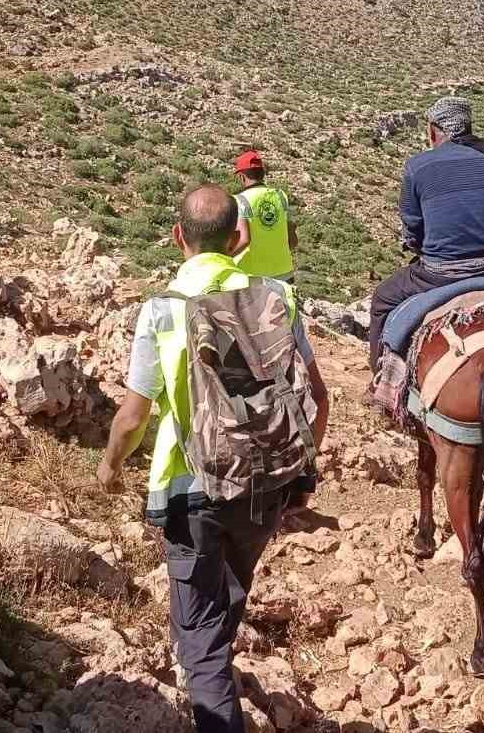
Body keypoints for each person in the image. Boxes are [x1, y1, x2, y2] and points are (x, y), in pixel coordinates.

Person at [97, 184, 330, 733]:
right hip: (265, 485)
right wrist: (297, 469)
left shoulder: (161, 310)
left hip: (191, 488)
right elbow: (319, 398)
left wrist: (109, 466)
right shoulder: (278, 296)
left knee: (198, 637)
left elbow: (133, 417)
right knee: (229, 593)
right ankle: (218, 671)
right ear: (239, 238)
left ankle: (214, 702)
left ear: (179, 236)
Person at [366, 95, 484, 371]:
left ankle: (380, 378)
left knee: (381, 300)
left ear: (433, 131)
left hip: (438, 274)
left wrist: (418, 246)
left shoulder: (417, 166)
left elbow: (412, 228)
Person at [230, 150, 297, 280]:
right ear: (262, 173)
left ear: (242, 176)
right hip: (283, 272)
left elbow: (244, 240)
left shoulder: (240, 200)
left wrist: (223, 258)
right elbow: (292, 239)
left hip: (252, 275)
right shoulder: (280, 195)